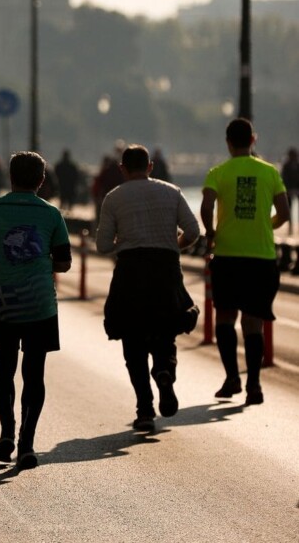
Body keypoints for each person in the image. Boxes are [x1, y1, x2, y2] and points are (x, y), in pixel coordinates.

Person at [0, 151, 71, 470]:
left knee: (4, 369)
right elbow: (63, 263)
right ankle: (27, 443)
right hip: (40, 304)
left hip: (4, 303)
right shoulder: (51, 214)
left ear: (10, 178)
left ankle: (6, 433)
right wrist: (39, 260)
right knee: (33, 374)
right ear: (41, 180)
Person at [96, 144, 200, 433]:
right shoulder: (172, 192)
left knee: (133, 340)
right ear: (150, 166)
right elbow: (193, 231)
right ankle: (165, 372)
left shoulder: (114, 198)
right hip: (166, 269)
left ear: (122, 169)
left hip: (131, 271)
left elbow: (103, 245)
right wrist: (172, 246)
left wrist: (125, 242)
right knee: (166, 332)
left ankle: (145, 409)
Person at [201, 118, 289, 405]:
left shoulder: (218, 172)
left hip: (227, 256)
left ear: (228, 142)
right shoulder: (270, 172)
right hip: (261, 258)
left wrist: (212, 232)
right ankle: (254, 384)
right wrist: (266, 225)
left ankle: (231, 378)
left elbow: (207, 205)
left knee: (225, 318)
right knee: (253, 323)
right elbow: (285, 213)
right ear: (253, 140)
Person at [280, 147, 299, 238]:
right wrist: (289, 189)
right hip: (288, 190)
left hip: (295, 189)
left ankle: (293, 228)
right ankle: (290, 228)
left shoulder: (294, 165)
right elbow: (284, 179)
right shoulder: (286, 166)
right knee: (289, 210)